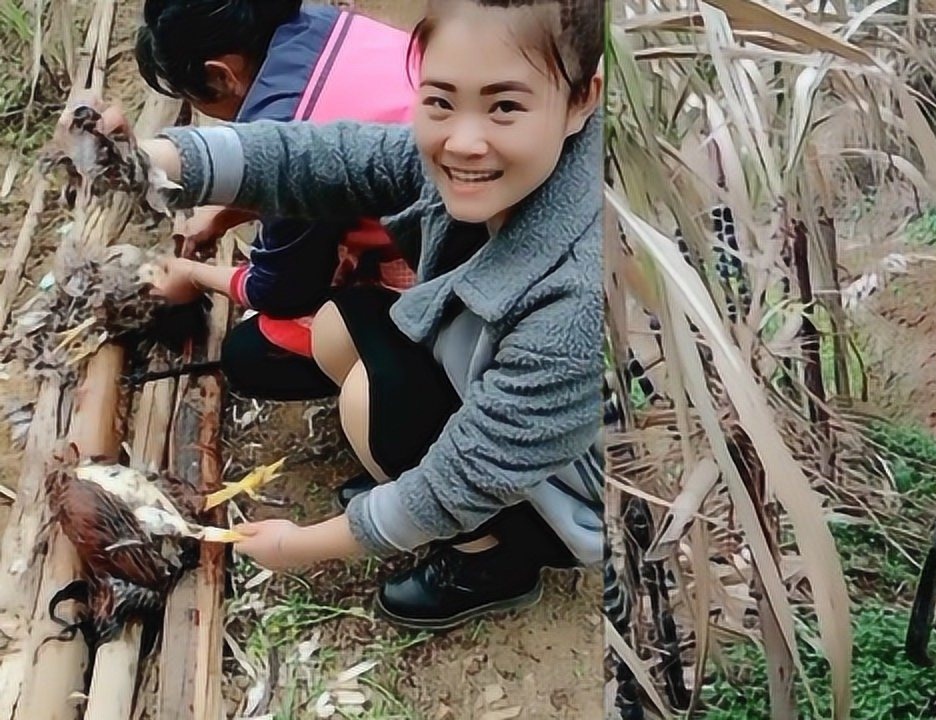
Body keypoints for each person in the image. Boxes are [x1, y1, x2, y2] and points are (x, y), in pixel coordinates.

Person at [69, 0, 605, 631]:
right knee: (338, 327)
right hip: (484, 375)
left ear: (581, 100)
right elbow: (322, 157)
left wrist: (302, 545)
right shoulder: (493, 156)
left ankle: (494, 561)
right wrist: (147, 162)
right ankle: (412, 487)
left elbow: (469, 474)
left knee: (367, 407)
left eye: (504, 105)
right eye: (439, 100)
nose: (462, 139)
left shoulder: (576, 298)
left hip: (561, 483)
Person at [136, 0, 418, 409]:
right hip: (470, 195)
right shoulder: (321, 20)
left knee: (253, 356)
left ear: (220, 75)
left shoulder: (285, 122)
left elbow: (280, 290)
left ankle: (420, 397)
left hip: (454, 264)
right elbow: (341, 167)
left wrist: (192, 274)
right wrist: (227, 213)